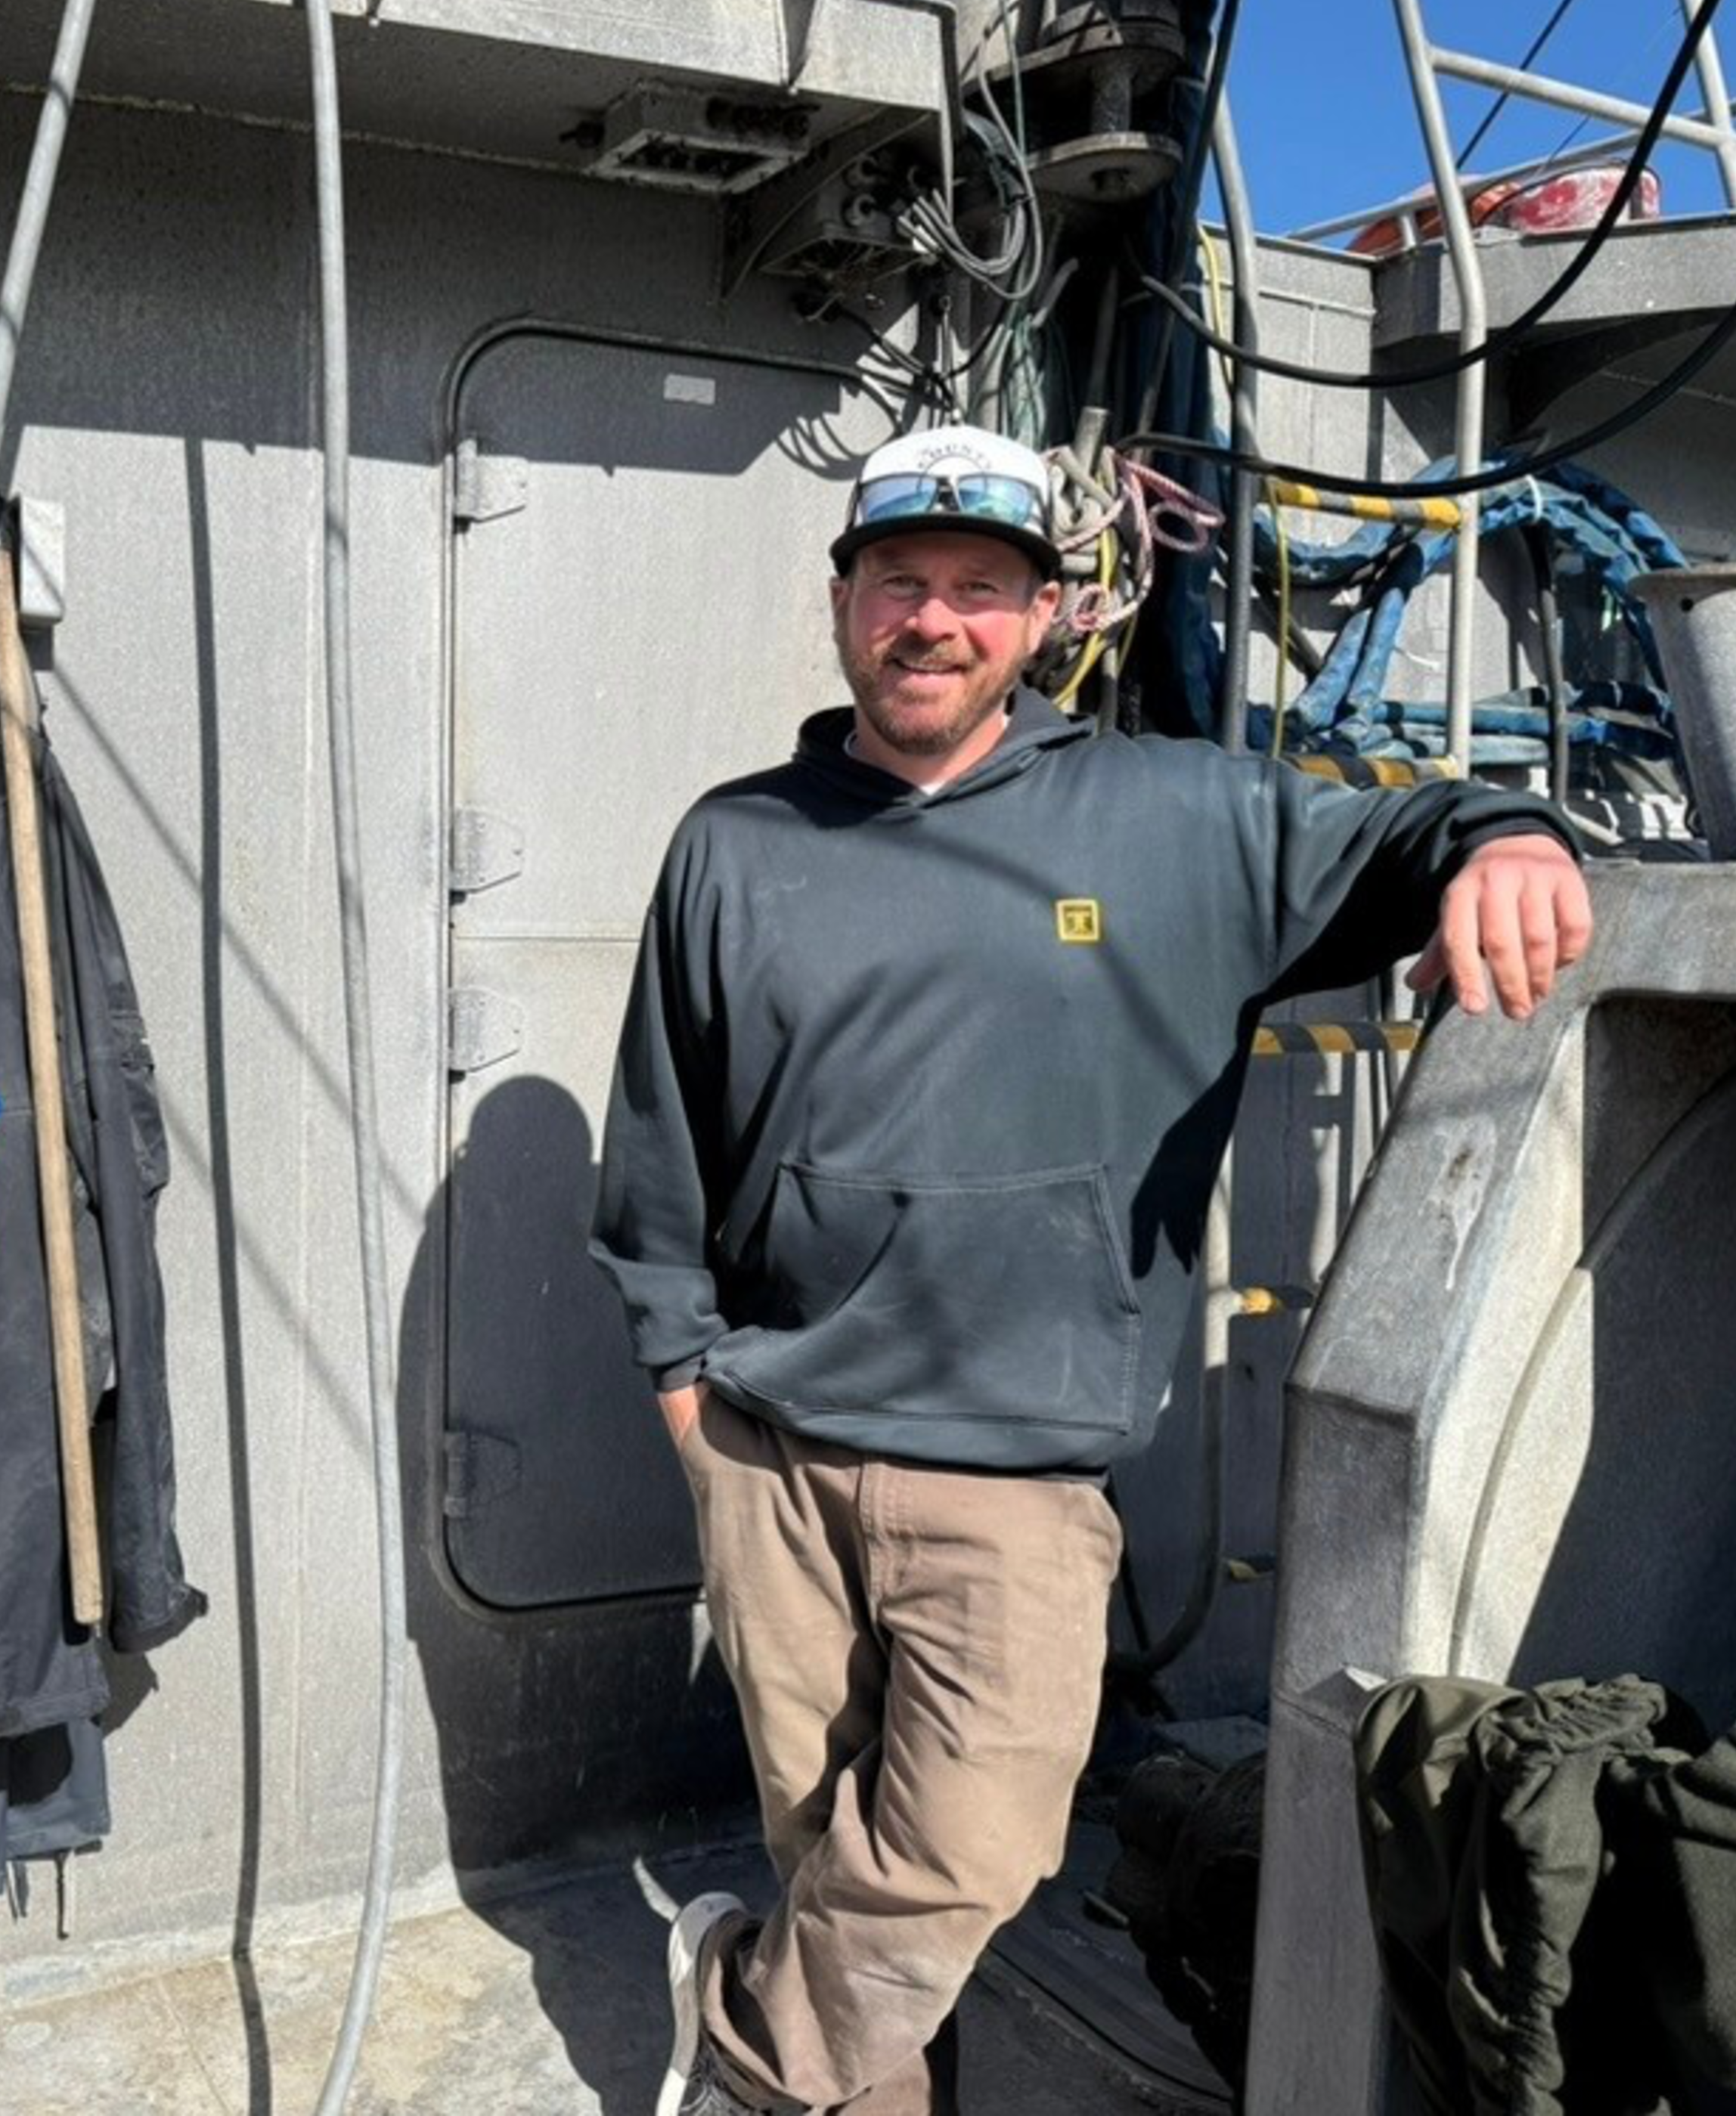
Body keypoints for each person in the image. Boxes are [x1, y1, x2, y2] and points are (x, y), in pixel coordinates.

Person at [589, 424, 1592, 2116]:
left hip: (1018, 1475)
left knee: (963, 1851)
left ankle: (748, 2032)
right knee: (826, 1838)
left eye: (980, 591)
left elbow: (1417, 831)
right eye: (898, 581)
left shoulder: (1177, 818)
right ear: (843, 603)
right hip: (772, 1454)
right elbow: (661, 1134)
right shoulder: (733, 840)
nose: (933, 621)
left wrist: (1512, 839)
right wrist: (686, 1386)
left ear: (1044, 618)